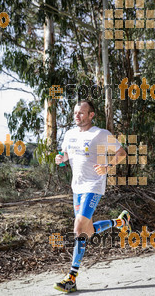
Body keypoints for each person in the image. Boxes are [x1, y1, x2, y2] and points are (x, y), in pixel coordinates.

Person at [53, 100, 131, 293]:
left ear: (91, 115)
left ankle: (71, 277)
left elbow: (121, 152)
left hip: (94, 185)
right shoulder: (69, 134)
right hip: (77, 187)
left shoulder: (101, 134)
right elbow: (66, 156)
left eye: (82, 113)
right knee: (87, 232)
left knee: (78, 227)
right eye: (75, 113)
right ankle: (120, 222)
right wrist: (61, 160)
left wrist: (107, 166)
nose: (77, 115)